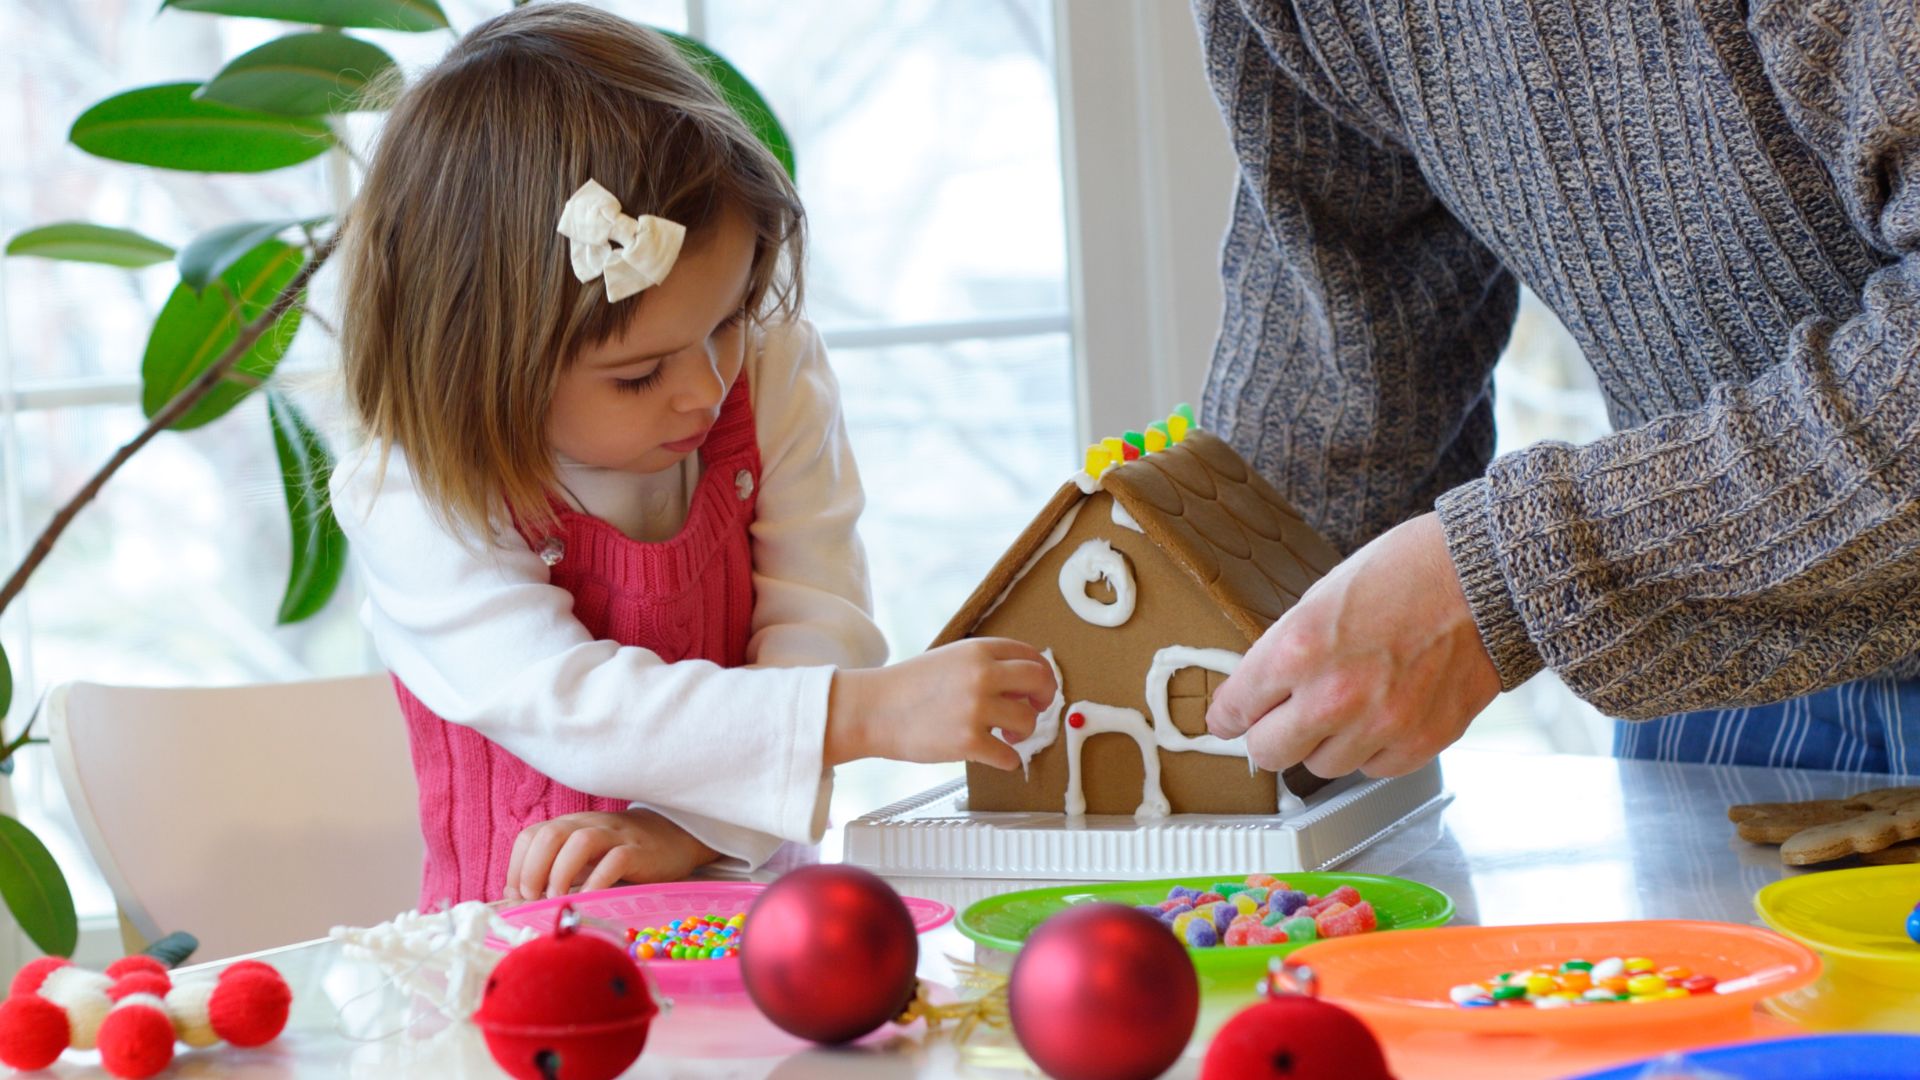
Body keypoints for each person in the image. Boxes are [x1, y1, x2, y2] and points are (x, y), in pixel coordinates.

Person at [330, 3, 1054, 907]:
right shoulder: (414, 489)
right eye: (637, 376)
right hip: (515, 958)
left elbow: (816, 616)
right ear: (478, 372)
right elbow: (570, 704)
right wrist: (864, 711)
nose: (706, 389)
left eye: (726, 321)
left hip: (755, 912)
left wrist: (686, 834)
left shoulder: (773, 371)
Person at [1192, 0, 1920, 778]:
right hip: (1727, 665)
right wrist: (1159, 657)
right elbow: (1343, 361)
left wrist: (1513, 574)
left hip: (1689, 600)